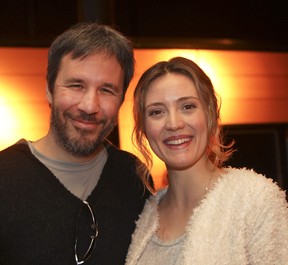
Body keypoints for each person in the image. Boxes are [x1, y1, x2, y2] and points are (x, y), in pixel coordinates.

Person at [0, 22, 151, 265]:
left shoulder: (134, 176)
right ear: (49, 89)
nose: (90, 106)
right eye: (76, 85)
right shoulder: (4, 177)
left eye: (106, 90)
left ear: (121, 100)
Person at [125, 57, 288, 264]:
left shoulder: (254, 199)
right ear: (144, 129)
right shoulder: (144, 214)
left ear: (210, 114)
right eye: (157, 112)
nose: (174, 123)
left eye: (187, 106)